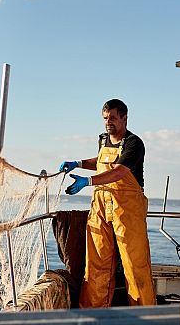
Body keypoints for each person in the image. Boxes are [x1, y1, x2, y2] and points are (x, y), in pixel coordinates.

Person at [59, 98, 156, 307]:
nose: (108, 122)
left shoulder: (134, 143)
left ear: (124, 118)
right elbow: (101, 161)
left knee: (134, 264)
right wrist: (78, 163)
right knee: (96, 263)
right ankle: (93, 312)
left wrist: (88, 181)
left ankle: (146, 314)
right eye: (105, 118)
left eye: (112, 117)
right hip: (101, 207)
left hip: (127, 209)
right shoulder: (103, 140)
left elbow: (119, 171)